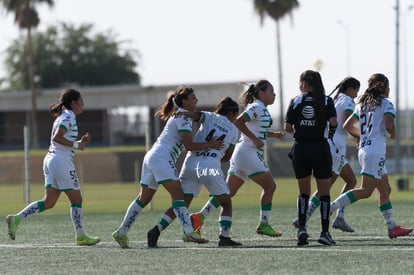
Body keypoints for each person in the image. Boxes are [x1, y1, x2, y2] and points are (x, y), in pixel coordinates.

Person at [111, 86, 222, 248]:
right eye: (193, 98)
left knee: (144, 198)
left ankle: (121, 232)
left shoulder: (182, 116)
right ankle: (188, 231)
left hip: (152, 157)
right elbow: (189, 145)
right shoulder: (183, 118)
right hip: (161, 158)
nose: (196, 100)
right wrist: (210, 144)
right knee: (178, 195)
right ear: (184, 101)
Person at [189, 80, 285, 238]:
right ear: (261, 94)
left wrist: (273, 135)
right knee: (270, 187)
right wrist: (254, 139)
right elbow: (239, 121)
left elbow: (257, 129)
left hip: (242, 153)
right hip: (248, 152)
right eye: (271, 91)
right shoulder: (256, 107)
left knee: (227, 193)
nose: (274, 94)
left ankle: (200, 217)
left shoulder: (260, 109)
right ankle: (264, 224)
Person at [5, 89, 100, 246]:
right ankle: (81, 236)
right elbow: (57, 137)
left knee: (49, 202)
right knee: (77, 199)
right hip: (61, 161)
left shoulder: (63, 116)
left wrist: (79, 142)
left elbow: (60, 139)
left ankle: (16, 219)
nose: (83, 104)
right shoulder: (69, 116)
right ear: (73, 103)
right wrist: (77, 144)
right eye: (81, 100)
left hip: (51, 159)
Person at [147, 96, 242, 248]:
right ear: (231, 114)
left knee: (181, 203)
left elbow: (196, 115)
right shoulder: (233, 129)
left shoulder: (210, 116)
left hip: (190, 165)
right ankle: (224, 237)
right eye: (235, 115)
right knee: (226, 202)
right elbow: (228, 156)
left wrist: (183, 113)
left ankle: (156, 230)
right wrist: (214, 155)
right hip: (210, 167)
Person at [330, 73, 413, 239]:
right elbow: (389, 125)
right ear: (385, 87)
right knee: (366, 191)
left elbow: (347, 125)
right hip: (375, 152)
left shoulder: (363, 104)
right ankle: (331, 207)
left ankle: (392, 227)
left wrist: (361, 136)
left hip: (366, 150)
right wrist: (394, 133)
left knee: (385, 189)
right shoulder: (386, 104)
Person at [292, 77, 360, 233]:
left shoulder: (335, 99)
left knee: (351, 180)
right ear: (351, 89)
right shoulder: (348, 101)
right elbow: (347, 122)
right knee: (326, 186)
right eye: (356, 91)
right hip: (336, 146)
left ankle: (340, 217)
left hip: (329, 143)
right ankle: (306, 216)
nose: (356, 95)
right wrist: (358, 136)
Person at [285, 70, 338, 246]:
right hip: (320, 149)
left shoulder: (296, 100)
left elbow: (287, 126)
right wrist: (329, 133)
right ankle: (324, 232)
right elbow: (333, 123)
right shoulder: (326, 100)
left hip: (300, 149)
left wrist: (300, 132)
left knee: (303, 193)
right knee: (324, 193)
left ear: (304, 84)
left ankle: (302, 228)